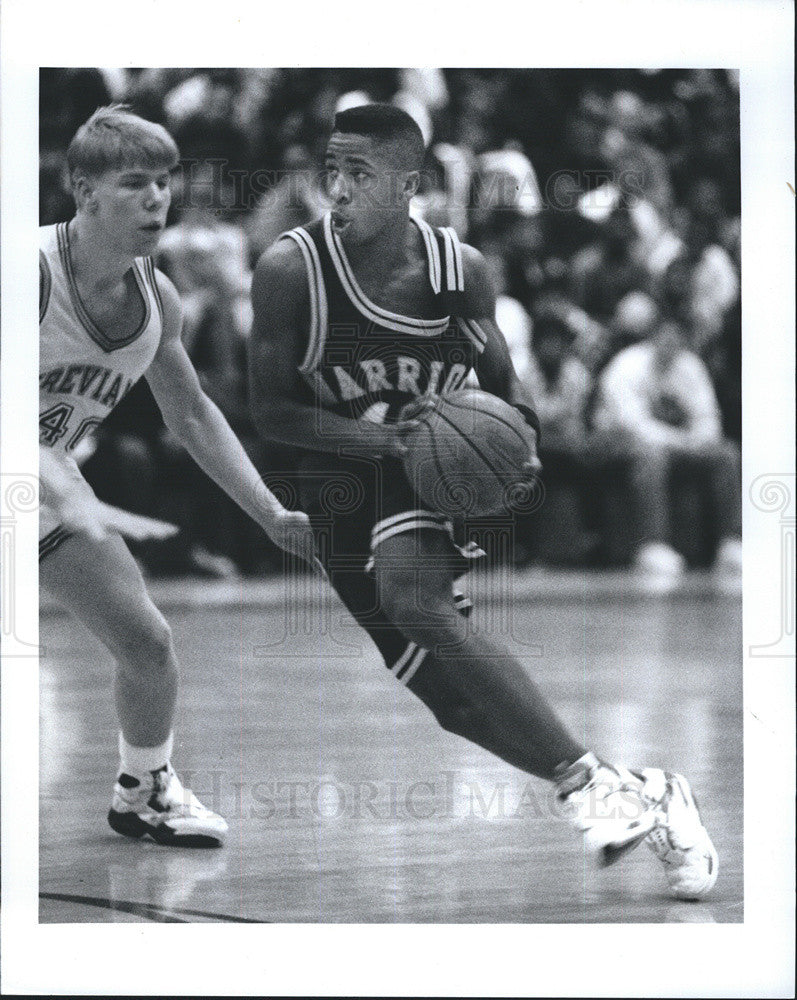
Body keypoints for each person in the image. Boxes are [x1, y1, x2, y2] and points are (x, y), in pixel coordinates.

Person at [248, 103, 717, 900]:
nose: (338, 188)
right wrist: (381, 442)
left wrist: (521, 442)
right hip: (343, 466)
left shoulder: (456, 269)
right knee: (453, 708)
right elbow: (272, 413)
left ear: (408, 184)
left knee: (417, 602)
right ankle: (643, 789)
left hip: (428, 462)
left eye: (359, 172)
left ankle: (584, 783)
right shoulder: (290, 270)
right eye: (332, 168)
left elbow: (498, 374)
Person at [39, 106, 316, 847]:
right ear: (83, 189)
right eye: (134, 183)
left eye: (164, 182)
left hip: (42, 483)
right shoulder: (30, 273)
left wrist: (270, 514)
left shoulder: (155, 298)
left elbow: (191, 415)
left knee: (147, 644)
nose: (157, 198)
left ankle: (144, 790)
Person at [593, 316, 742, 578]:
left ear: (684, 341)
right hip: (613, 444)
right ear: (653, 338)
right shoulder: (627, 364)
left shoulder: (691, 366)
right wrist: (683, 441)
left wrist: (699, 439)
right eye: (665, 337)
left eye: (677, 339)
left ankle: (731, 543)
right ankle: (653, 546)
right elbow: (632, 424)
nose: (670, 344)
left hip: (674, 446)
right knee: (651, 455)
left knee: (726, 454)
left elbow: (708, 417)